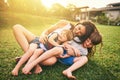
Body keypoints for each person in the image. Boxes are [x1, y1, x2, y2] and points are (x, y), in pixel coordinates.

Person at [12, 20, 96, 76]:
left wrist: (72, 51)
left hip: (47, 51)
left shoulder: (75, 39)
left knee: (51, 61)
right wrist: (42, 35)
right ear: (79, 23)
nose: (77, 31)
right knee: (17, 27)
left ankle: (27, 57)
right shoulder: (65, 23)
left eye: (80, 33)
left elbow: (65, 49)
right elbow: (47, 31)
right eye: (79, 28)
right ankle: (33, 62)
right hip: (41, 41)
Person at [21, 31, 102, 80]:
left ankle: (68, 71)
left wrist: (70, 53)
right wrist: (73, 48)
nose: (88, 43)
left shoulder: (85, 52)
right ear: (86, 37)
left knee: (85, 58)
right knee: (58, 48)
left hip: (67, 59)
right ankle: (33, 63)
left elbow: (73, 54)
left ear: (93, 45)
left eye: (91, 44)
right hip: (60, 52)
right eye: (88, 40)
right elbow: (65, 44)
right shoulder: (77, 39)